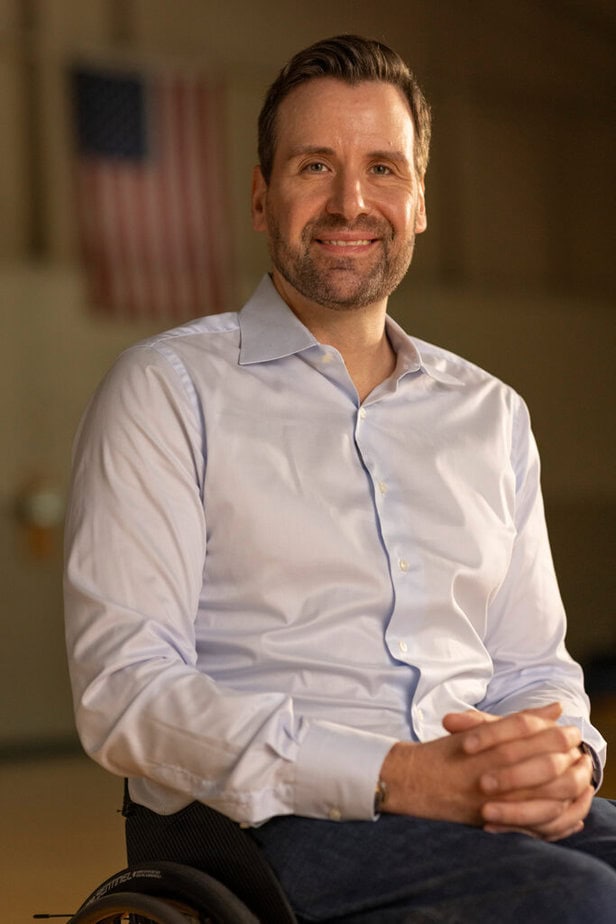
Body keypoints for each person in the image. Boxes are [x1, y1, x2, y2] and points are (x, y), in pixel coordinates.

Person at [64, 34, 616, 923]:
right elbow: (125, 692)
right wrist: (397, 776)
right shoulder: (167, 392)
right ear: (261, 195)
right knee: (583, 905)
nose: (351, 202)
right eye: (315, 165)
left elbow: (531, 670)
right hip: (275, 823)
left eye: (383, 170)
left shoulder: (493, 415)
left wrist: (564, 763)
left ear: (420, 201)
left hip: (481, 812)